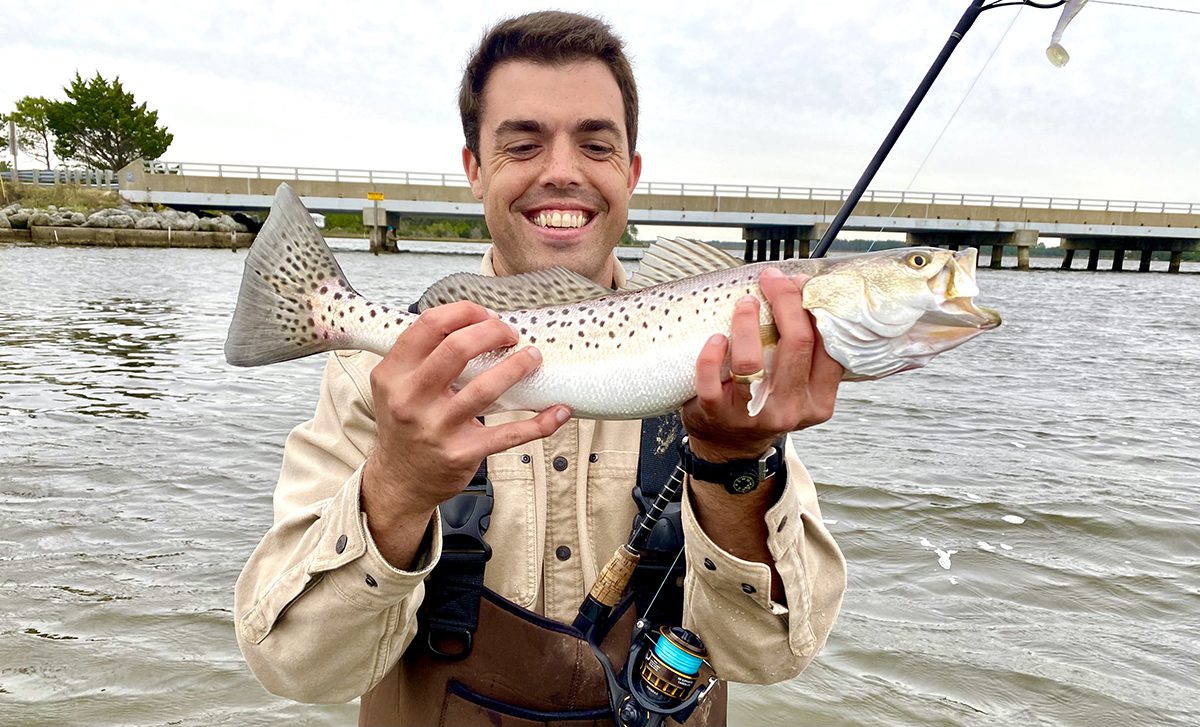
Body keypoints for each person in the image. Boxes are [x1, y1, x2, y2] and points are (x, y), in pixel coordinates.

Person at [234, 10, 847, 726]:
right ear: (474, 169)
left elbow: (774, 656)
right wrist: (396, 491)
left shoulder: (732, 365)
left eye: (595, 143)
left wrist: (737, 467)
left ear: (631, 171)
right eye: (523, 144)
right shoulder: (375, 375)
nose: (562, 172)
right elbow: (295, 670)